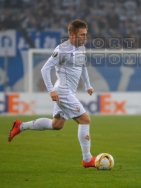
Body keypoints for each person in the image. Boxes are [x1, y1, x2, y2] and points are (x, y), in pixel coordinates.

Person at [8, 19, 96, 168]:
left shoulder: (81, 48)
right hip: (64, 91)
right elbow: (45, 69)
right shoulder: (62, 50)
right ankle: (87, 159)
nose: (85, 37)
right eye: (82, 35)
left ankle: (21, 125)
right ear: (72, 35)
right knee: (85, 120)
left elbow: (83, 66)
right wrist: (51, 90)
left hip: (68, 91)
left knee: (57, 124)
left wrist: (88, 85)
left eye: (86, 34)